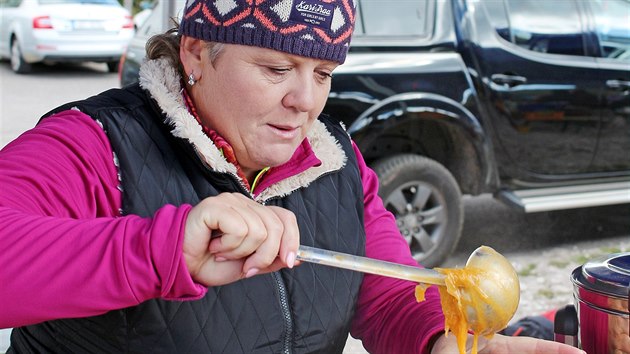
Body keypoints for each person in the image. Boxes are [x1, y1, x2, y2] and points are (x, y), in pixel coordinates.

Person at [0, 0, 585, 353]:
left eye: (324, 72)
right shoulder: (96, 143)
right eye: (277, 67)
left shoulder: (332, 158)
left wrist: (440, 340)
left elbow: (386, 292)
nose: (305, 101)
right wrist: (163, 247)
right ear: (198, 52)